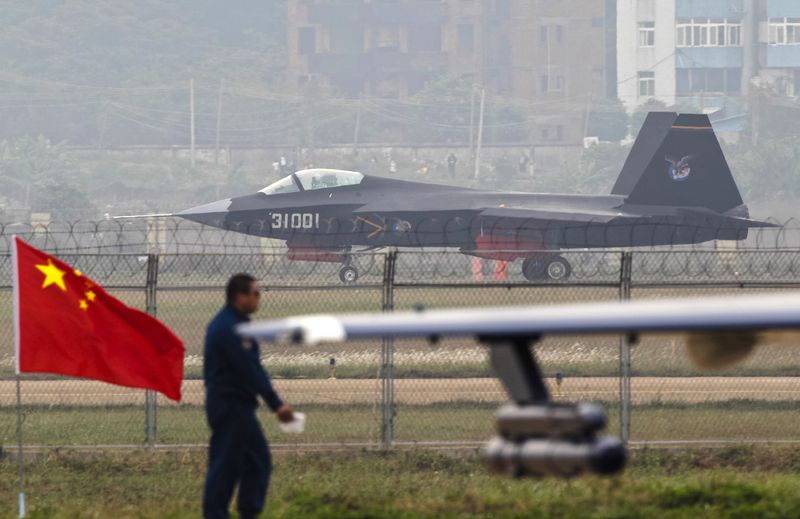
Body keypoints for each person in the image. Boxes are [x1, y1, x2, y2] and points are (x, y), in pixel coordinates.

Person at [203, 273, 294, 519]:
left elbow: (251, 368)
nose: (258, 298)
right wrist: (276, 405)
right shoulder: (230, 328)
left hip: (239, 406)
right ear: (239, 296)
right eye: (255, 293)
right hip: (229, 406)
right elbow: (250, 369)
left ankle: (249, 511)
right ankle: (214, 514)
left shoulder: (236, 324)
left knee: (257, 461)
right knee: (226, 465)